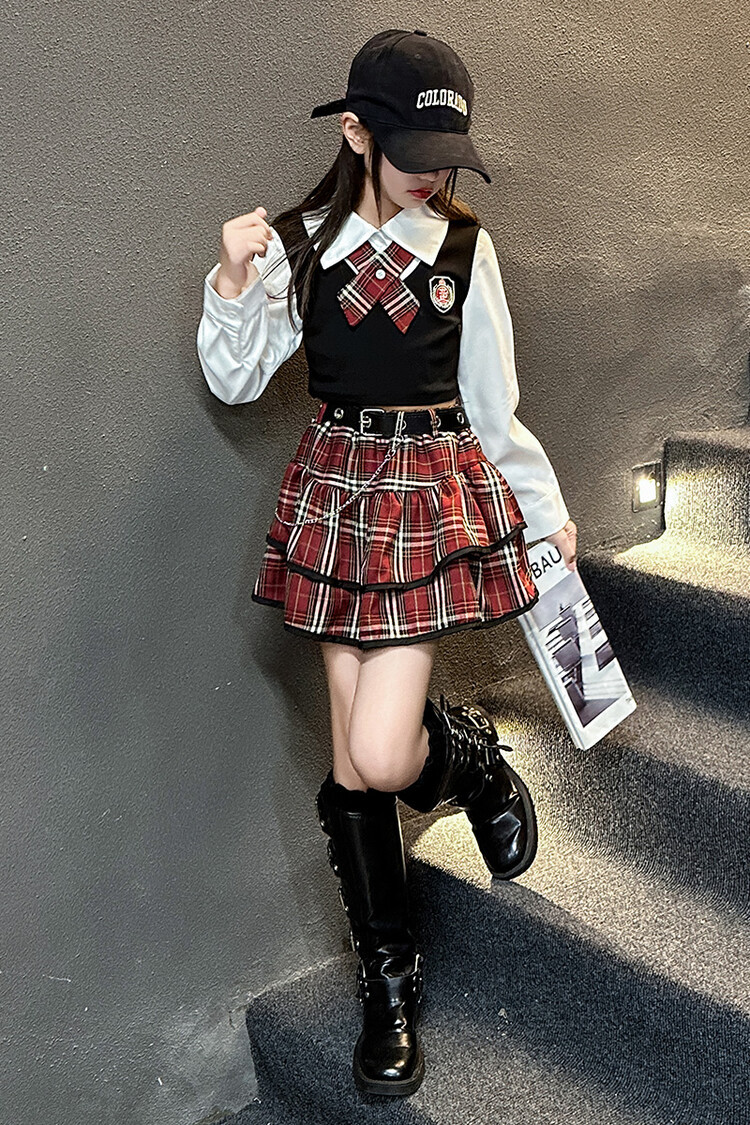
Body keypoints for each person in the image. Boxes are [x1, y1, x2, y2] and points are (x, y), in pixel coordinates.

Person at [196, 27, 577, 1099]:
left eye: (446, 154)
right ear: (358, 133)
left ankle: (472, 761)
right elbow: (237, 380)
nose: (431, 174)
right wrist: (233, 280)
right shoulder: (300, 244)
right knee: (357, 766)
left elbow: (493, 406)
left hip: (424, 501)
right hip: (335, 497)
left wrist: (545, 514)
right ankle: (390, 983)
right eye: (411, 149)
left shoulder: (464, 250)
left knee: (379, 747)